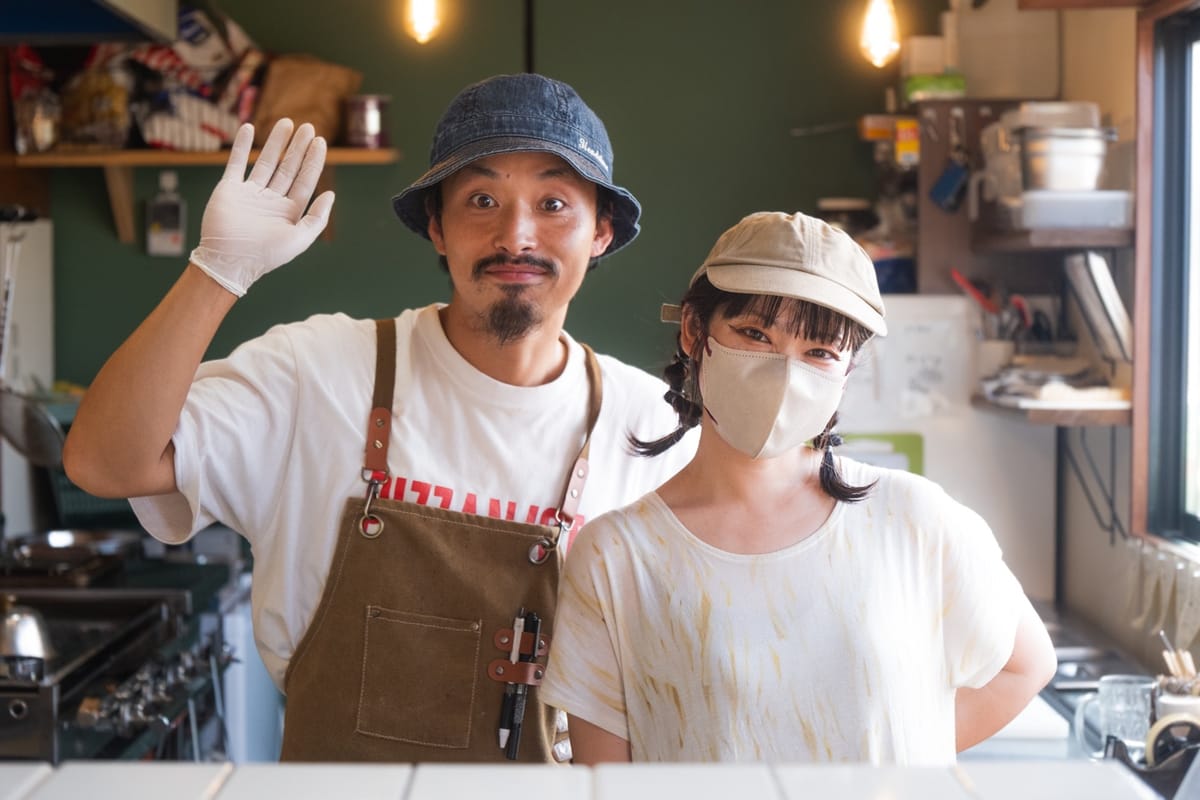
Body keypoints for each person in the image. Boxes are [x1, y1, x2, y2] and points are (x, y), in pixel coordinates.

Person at [61, 73, 695, 763]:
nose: (516, 235)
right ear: (437, 227)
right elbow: (103, 464)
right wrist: (217, 271)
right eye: (482, 200)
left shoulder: (651, 428)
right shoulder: (315, 372)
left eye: (553, 204)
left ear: (600, 232)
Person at [539, 211, 1057, 765]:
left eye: (820, 352)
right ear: (694, 331)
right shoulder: (616, 556)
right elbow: (607, 783)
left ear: (848, 370)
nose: (785, 372)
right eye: (754, 334)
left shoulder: (914, 518)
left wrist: (884, 756)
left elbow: (1024, 666)